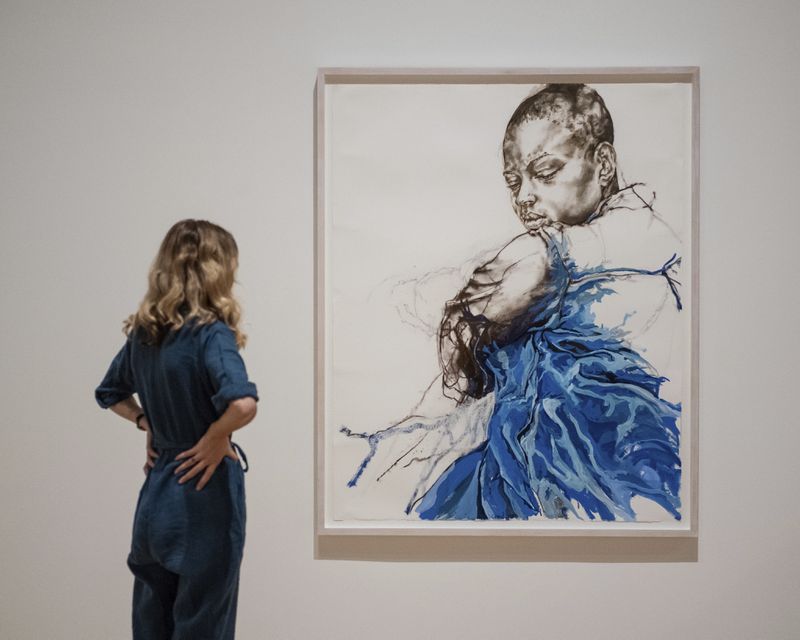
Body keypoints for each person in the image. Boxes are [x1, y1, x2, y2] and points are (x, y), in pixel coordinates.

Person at [344, 84, 683, 522]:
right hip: (522, 462)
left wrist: (539, 264)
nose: (524, 196)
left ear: (603, 165)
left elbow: (542, 267)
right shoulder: (558, 249)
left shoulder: (645, 235)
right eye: (513, 181)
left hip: (614, 465)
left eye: (544, 173)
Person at [94, 219, 259, 639]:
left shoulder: (145, 335)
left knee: (151, 625)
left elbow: (110, 391)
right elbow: (242, 404)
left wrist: (146, 420)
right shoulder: (212, 334)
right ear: (218, 269)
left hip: (156, 497)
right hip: (205, 498)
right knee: (204, 625)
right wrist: (215, 436)